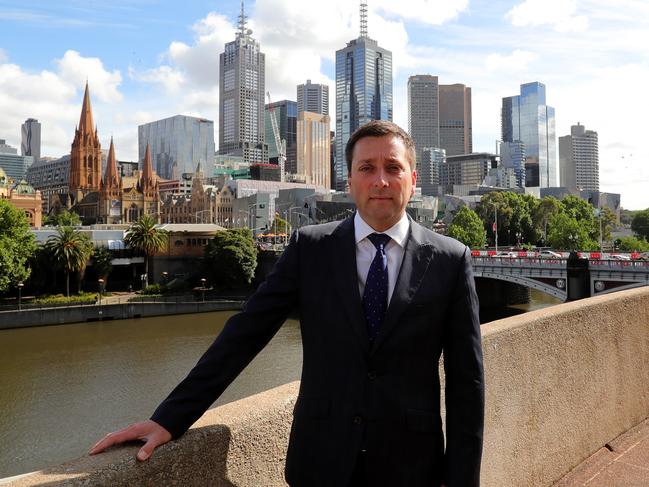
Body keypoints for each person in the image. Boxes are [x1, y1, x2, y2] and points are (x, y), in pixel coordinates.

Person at [90, 120, 484, 487]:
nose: (380, 180)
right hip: (320, 463)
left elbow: (467, 386)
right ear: (349, 181)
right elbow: (245, 335)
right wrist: (170, 418)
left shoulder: (450, 260)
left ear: (413, 180)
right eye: (366, 168)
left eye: (393, 167)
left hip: (412, 468)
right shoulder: (310, 249)